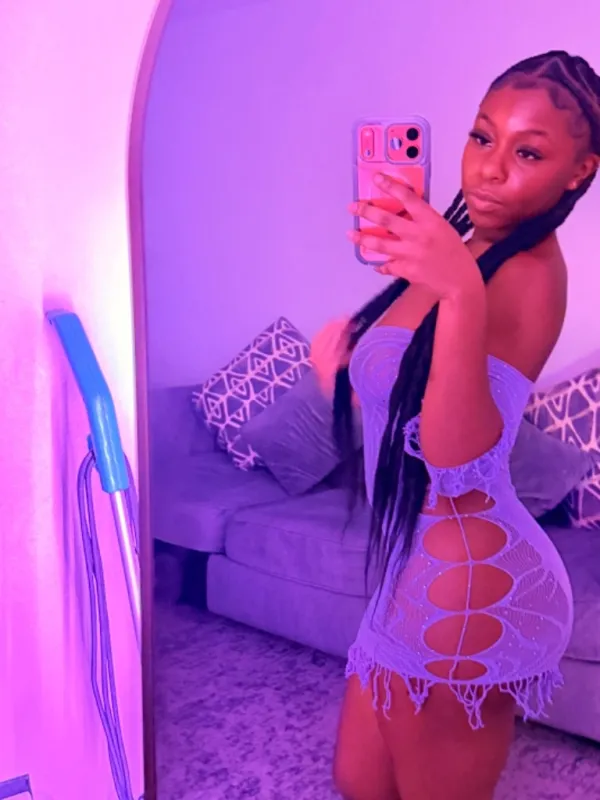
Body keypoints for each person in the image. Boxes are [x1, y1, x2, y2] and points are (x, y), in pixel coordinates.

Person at [310, 51, 600, 800]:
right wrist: (344, 370)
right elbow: (406, 402)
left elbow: (454, 459)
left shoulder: (527, 273)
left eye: (528, 153)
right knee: (359, 781)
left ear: (579, 173)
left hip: (469, 585)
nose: (490, 170)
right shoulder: (464, 248)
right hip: (409, 569)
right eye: (482, 137)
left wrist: (461, 296)